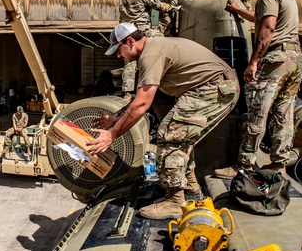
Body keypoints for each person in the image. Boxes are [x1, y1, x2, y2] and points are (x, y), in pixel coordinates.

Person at [88, 22, 239, 220]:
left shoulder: (151, 55)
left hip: (213, 88)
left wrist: (112, 134)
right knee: (182, 138)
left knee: (170, 135)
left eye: (119, 50)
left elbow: (142, 105)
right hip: (213, 87)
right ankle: (191, 190)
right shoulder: (152, 50)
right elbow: (141, 98)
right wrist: (115, 119)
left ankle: (175, 202)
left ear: (130, 41)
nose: (119, 56)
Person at [216, 0, 302, 178]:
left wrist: (254, 61)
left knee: (258, 112)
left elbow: (267, 28)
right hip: (295, 58)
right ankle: (279, 164)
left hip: (276, 58)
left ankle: (243, 164)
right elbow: (260, 17)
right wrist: (238, 10)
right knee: (284, 114)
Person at [119, 0, 179, 93]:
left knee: (129, 61)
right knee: (161, 41)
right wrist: (174, 8)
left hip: (128, 31)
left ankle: (127, 91)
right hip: (141, 30)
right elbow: (158, 5)